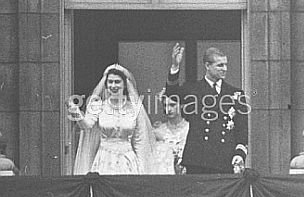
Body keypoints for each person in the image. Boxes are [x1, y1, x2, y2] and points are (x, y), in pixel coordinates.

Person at [165, 43, 249, 174]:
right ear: (207, 66)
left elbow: (242, 129)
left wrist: (239, 154)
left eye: (226, 65)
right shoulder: (193, 89)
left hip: (225, 159)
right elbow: (172, 93)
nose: (224, 69)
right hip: (198, 160)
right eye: (220, 65)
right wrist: (175, 66)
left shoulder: (236, 94)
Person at [67, 64, 160, 175]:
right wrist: (74, 111)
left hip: (128, 162)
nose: (113, 85)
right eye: (110, 82)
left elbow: (139, 139)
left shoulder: (134, 108)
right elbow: (85, 125)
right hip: (104, 160)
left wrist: (142, 167)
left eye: (117, 82)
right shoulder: (98, 106)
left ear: (125, 84)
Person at [153, 92, 189, 175]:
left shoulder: (189, 129)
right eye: (165, 105)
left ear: (181, 105)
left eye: (172, 105)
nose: (168, 109)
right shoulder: (158, 131)